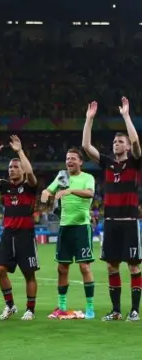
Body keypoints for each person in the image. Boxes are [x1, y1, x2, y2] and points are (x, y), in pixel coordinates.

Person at [82, 98, 142, 321]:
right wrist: (89, 120)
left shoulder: (135, 162)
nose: (115, 144)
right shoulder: (108, 163)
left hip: (129, 221)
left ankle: (134, 311)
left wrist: (126, 116)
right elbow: (86, 147)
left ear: (126, 146)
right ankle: (116, 310)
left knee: (134, 267)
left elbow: (136, 143)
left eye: (120, 141)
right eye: (114, 141)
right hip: (111, 222)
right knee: (111, 266)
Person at [0, 136, 39, 321]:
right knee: (0, 269)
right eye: (10, 168)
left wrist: (19, 152)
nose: (12, 170)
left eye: (15, 167)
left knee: (28, 273)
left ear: (22, 169)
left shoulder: (30, 186)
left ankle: (30, 309)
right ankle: (10, 305)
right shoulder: (6, 187)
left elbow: (30, 173)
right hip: (8, 235)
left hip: (25, 234)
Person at [41, 148, 96, 320]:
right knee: (62, 268)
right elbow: (47, 193)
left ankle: (90, 308)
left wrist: (69, 191)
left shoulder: (87, 177)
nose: (69, 161)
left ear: (80, 161)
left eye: (73, 158)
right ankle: (62, 307)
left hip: (82, 227)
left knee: (84, 267)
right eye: (67, 158)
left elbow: (90, 193)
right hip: (65, 228)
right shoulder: (62, 176)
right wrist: (47, 196)